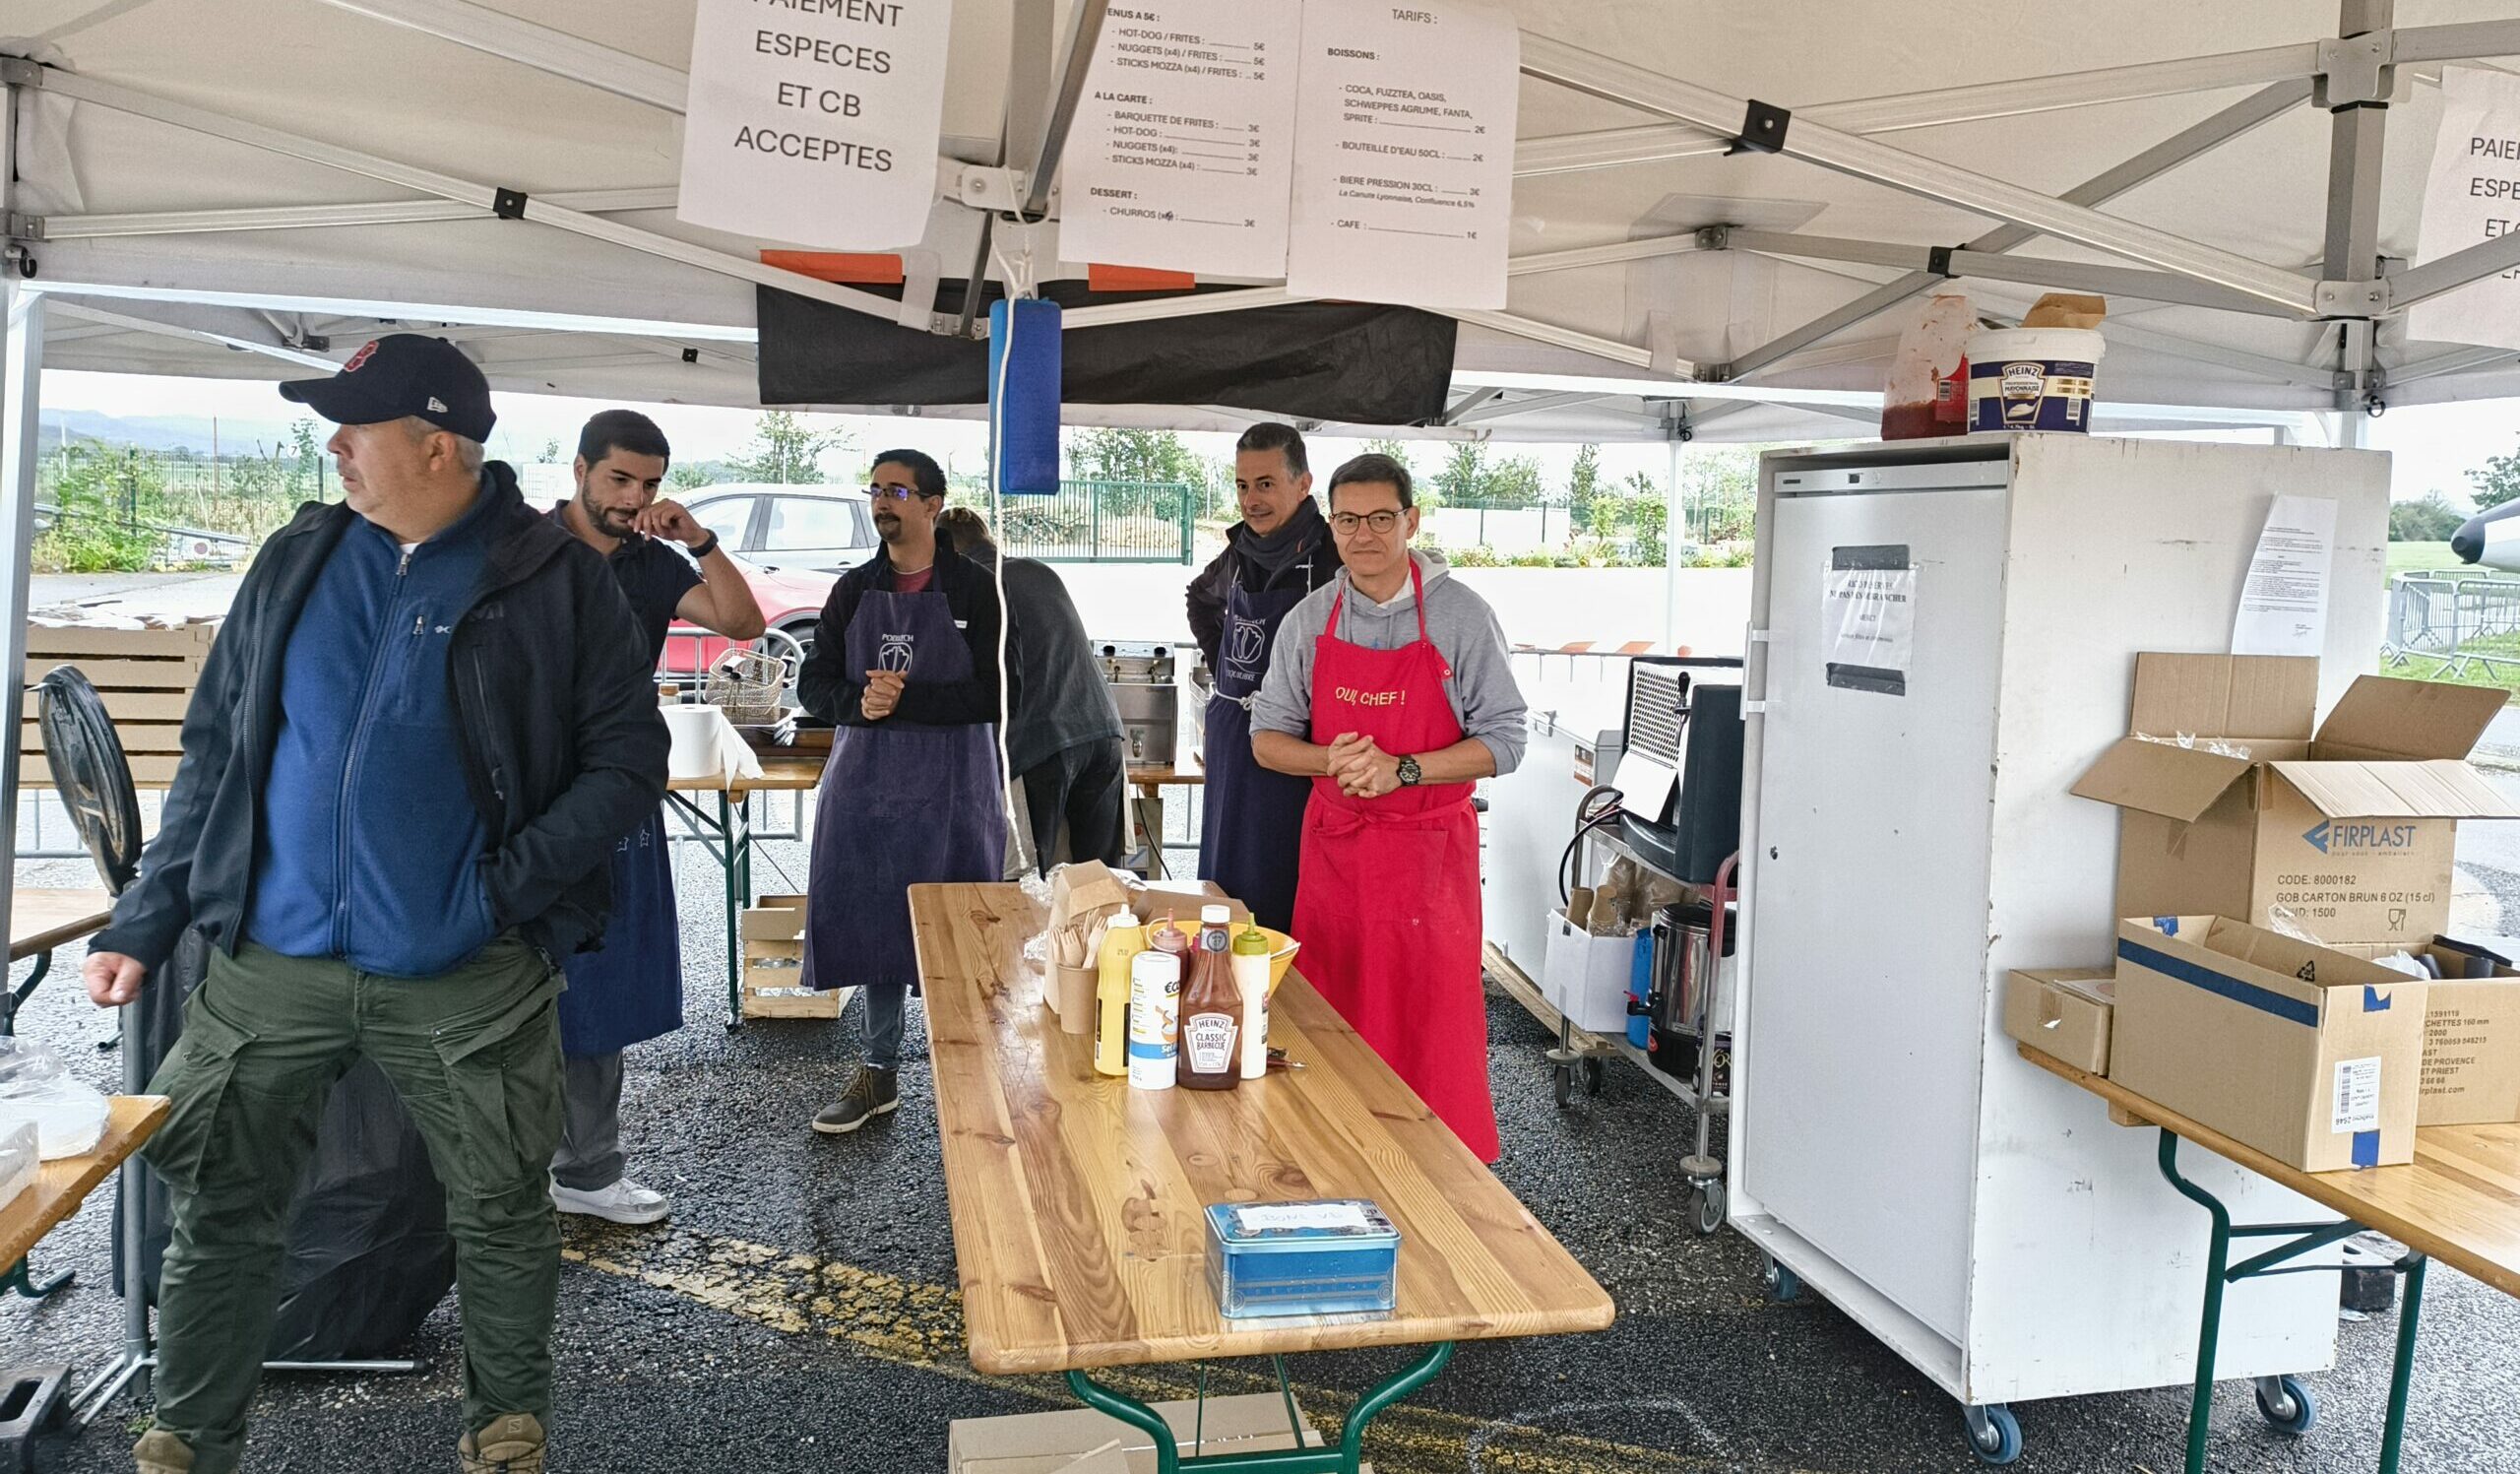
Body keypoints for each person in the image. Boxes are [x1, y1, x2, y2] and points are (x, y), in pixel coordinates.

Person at [82, 335, 668, 1474]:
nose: (334, 446)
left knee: (499, 1208)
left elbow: (624, 766)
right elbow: (217, 751)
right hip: (271, 961)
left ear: (437, 443)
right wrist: (148, 918)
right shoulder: (300, 556)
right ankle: (190, 1435)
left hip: (462, 969)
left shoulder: (555, 578)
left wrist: (495, 898)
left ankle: (505, 1428)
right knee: (222, 1199)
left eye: (357, 427)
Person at [1250, 453, 1526, 1164]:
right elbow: (1267, 738)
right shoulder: (1311, 619)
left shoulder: (1463, 615)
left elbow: (1507, 738)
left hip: (1429, 862)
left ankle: (1440, 1176)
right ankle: (1332, 1160)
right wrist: (1330, 761)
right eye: (1347, 519)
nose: (1363, 534)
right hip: (1337, 859)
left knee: (1429, 1025)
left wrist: (1405, 769)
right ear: (1330, 527)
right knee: (1333, 1021)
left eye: (1380, 518)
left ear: (1411, 521)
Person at [547, 409, 765, 1226]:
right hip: (529, 790)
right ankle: (504, 1168)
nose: (633, 497)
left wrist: (699, 540)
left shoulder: (649, 563)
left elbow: (743, 622)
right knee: (510, 982)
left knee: (600, 979)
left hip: (616, 785)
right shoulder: (524, 548)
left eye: (648, 483)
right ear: (579, 469)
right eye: (619, 479)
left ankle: (589, 1167)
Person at [795, 450, 1004, 1134]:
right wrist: (860, 701)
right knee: (877, 921)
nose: (884, 501)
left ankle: (974, 1080)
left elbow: (999, 694)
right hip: (867, 786)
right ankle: (878, 1073)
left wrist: (907, 700)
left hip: (953, 784)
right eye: (877, 489)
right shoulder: (852, 589)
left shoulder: (976, 590)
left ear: (933, 503)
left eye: (899, 490)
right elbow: (814, 684)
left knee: (962, 926)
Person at [1186, 423, 1342, 929]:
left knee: (1288, 880)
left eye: (1266, 484)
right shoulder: (1238, 554)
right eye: (1242, 485)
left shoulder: (1334, 556)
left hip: (1302, 742)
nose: (1251, 500)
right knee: (1226, 878)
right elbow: (1199, 599)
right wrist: (1225, 668)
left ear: (1303, 484)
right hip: (1235, 734)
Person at [934, 506, 1127, 871]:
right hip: (1102, 734)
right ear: (988, 539)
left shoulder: (966, 587)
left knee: (1028, 885)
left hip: (1039, 746)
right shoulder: (1040, 571)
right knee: (1098, 881)